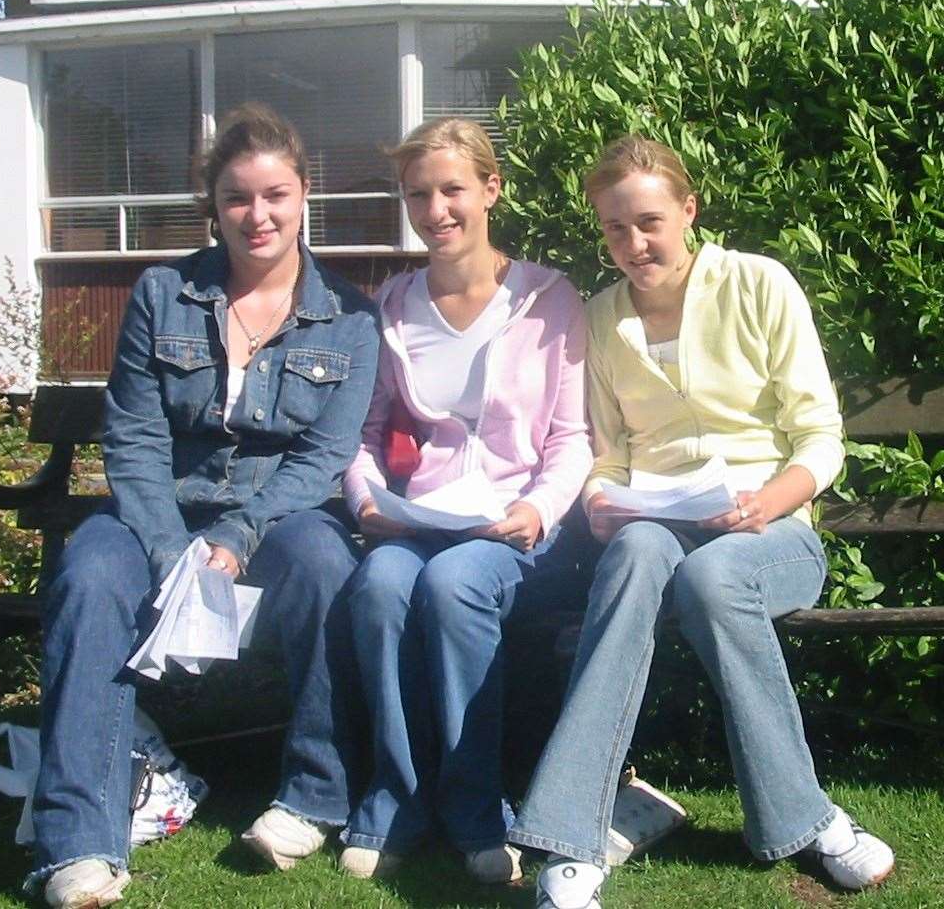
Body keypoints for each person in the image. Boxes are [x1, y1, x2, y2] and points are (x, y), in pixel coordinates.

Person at [508, 136, 895, 908]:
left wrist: (769, 501)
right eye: (615, 229)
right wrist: (598, 500)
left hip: (769, 531)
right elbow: (609, 456)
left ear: (688, 210)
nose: (634, 244)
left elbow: (820, 435)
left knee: (715, 577)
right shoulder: (600, 319)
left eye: (649, 222)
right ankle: (571, 836)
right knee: (634, 556)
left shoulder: (758, 284)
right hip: (658, 521)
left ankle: (804, 819)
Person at [27, 104, 379, 908]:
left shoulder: (352, 318)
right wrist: (165, 548)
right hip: (158, 514)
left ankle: (314, 796)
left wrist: (240, 532)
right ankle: (79, 842)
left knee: (329, 567)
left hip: (278, 518)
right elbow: (134, 436)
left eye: (276, 196)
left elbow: (324, 455)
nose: (259, 216)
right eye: (238, 199)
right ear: (213, 207)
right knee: (88, 577)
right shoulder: (163, 294)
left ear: (303, 197)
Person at [339, 117, 591, 883]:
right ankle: (396, 800)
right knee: (379, 585)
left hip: (513, 526)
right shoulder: (394, 303)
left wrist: (540, 510)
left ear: (491, 189)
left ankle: (478, 810)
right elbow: (365, 431)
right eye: (419, 194)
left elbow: (573, 436)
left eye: (453, 189)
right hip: (420, 517)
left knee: (455, 587)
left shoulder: (549, 297)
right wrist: (365, 502)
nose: (436, 210)